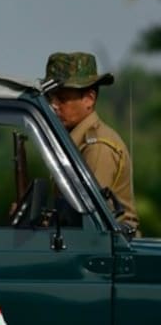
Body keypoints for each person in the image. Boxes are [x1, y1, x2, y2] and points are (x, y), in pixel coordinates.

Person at [43, 52, 139, 231]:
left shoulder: (97, 147)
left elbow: (90, 217)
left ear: (89, 99)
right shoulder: (74, 142)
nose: (53, 105)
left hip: (105, 250)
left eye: (62, 98)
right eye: (50, 97)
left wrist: (44, 222)